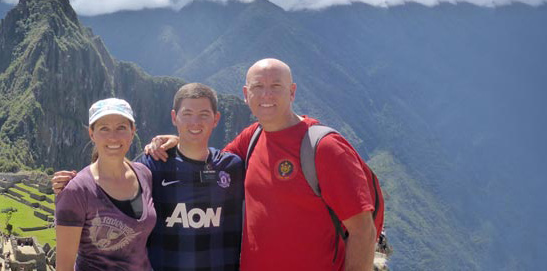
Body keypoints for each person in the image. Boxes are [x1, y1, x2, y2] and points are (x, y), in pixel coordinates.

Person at [143, 58, 379, 271]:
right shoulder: (252, 137)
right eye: (258, 87)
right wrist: (180, 141)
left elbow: (363, 232)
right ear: (246, 94)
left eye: (276, 86)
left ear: (292, 91)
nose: (266, 95)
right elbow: (207, 163)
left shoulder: (324, 148)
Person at [53, 84, 246, 270]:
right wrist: (72, 186)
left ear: (216, 119)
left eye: (204, 114)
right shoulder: (154, 165)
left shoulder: (232, 167)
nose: (195, 122)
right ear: (174, 117)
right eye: (187, 114)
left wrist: (178, 139)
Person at [55, 98, 157, 271]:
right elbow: (64, 266)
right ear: (92, 134)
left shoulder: (144, 174)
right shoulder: (77, 191)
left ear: (133, 132)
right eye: (104, 128)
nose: (113, 137)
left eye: (121, 128)